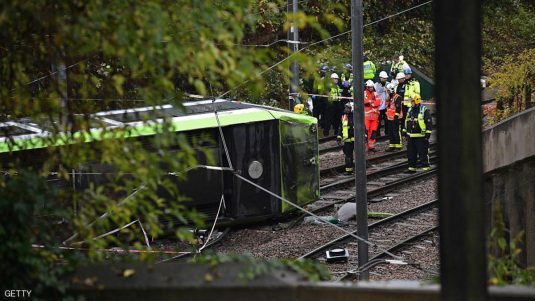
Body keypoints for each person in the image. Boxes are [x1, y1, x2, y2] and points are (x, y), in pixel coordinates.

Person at [403, 94, 432, 172]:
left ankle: (425, 168)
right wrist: (405, 131)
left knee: (423, 153)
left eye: (412, 101)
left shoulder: (424, 110)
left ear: (416, 101)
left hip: (421, 136)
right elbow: (406, 121)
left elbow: (429, 122)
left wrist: (427, 134)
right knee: (411, 153)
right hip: (411, 136)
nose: (411, 103)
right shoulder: (410, 110)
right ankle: (412, 168)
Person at [337, 102, 355, 174]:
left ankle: (360, 170)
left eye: (348, 108)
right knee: (348, 156)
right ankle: (349, 170)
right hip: (347, 140)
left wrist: (364, 137)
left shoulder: (356, 116)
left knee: (359, 156)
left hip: (356, 140)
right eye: (346, 108)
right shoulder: (344, 117)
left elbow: (363, 127)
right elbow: (341, 128)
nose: (346, 109)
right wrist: (339, 137)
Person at [364, 80, 381, 151]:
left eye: (372, 87)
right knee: (366, 132)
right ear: (367, 87)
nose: (371, 88)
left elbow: (378, 101)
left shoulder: (375, 93)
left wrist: (371, 103)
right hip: (366, 117)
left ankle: (371, 147)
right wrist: (372, 102)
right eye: (369, 87)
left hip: (374, 117)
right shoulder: (364, 93)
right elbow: (365, 101)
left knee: (373, 132)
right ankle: (365, 147)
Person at [385, 83, 403, 151]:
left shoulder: (397, 97)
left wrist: (396, 116)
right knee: (391, 132)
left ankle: (398, 146)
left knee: (396, 131)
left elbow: (398, 108)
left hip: (396, 118)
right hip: (390, 118)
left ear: (392, 90)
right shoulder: (390, 97)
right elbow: (388, 107)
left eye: (388, 91)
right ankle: (392, 146)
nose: (388, 92)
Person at [375, 71, 389, 136]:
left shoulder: (388, 84)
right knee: (378, 121)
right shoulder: (376, 85)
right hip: (379, 107)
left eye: (385, 78)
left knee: (387, 120)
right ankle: (378, 134)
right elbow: (379, 90)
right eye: (383, 78)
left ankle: (387, 133)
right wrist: (385, 88)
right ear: (380, 78)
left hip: (386, 106)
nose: (385, 79)